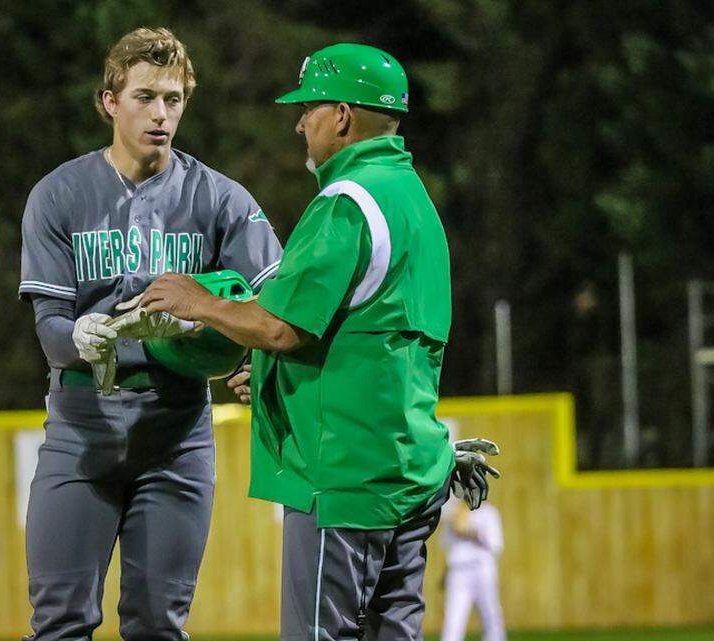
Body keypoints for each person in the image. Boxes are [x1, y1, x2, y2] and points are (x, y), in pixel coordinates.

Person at [137, 43, 497, 641]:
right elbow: (373, 335)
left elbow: (281, 327)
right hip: (411, 471)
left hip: (346, 483)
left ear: (343, 117)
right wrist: (280, 377)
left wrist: (197, 302)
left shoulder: (346, 203)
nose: (300, 122)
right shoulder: (413, 200)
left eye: (310, 107)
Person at [17, 27, 281, 641]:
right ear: (109, 101)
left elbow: (277, 307)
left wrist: (257, 360)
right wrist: (79, 337)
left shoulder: (222, 199)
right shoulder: (58, 195)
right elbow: (50, 330)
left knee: (158, 625)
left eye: (174, 98)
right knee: (59, 623)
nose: (161, 114)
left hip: (179, 427)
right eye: (144, 97)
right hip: (83, 425)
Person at [439, 501, 507, 641]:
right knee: (453, 617)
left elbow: (496, 545)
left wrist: (469, 531)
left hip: (482, 568)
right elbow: (446, 544)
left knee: (491, 615)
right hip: (458, 571)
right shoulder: (454, 512)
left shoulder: (488, 512)